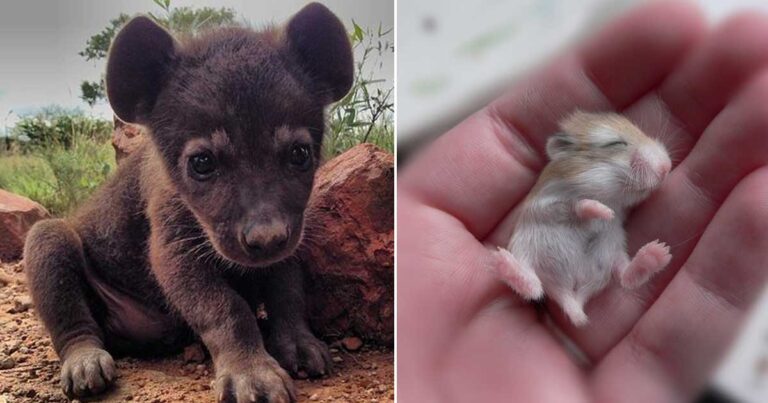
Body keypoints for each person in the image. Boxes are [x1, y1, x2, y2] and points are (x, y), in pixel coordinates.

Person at [397, 1, 768, 401]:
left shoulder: (617, 206)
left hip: (593, 263)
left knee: (614, 242)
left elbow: (614, 217)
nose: (658, 164)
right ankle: (532, 279)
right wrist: (580, 209)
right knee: (534, 235)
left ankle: (628, 273)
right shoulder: (555, 185)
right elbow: (547, 212)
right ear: (564, 154)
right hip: (551, 244)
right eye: (615, 146)